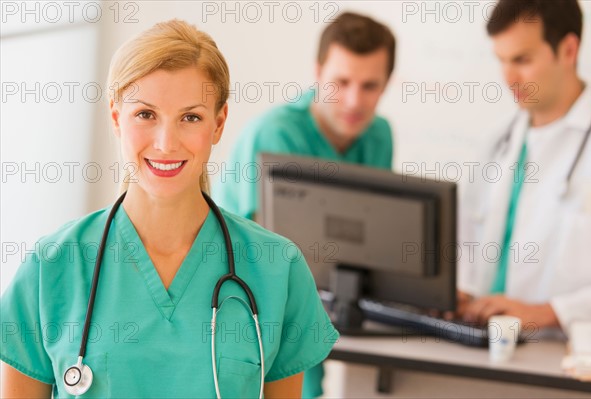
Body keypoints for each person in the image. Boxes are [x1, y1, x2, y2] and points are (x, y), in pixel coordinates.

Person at [0, 20, 338, 398]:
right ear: (116, 117)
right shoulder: (53, 266)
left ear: (218, 124)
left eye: (190, 117)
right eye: (146, 114)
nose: (166, 143)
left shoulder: (277, 268)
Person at [213, 12, 396, 398]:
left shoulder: (379, 136)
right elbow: (265, 257)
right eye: (341, 82)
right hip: (251, 312)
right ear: (317, 72)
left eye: (369, 86)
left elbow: (372, 241)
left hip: (320, 311)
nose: (353, 100)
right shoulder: (276, 132)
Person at [457, 0, 591, 333]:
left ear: (568, 49)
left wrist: (551, 312)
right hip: (485, 345)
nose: (508, 78)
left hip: (567, 357)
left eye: (522, 60)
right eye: (502, 61)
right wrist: (462, 293)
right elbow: (464, 249)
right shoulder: (497, 144)